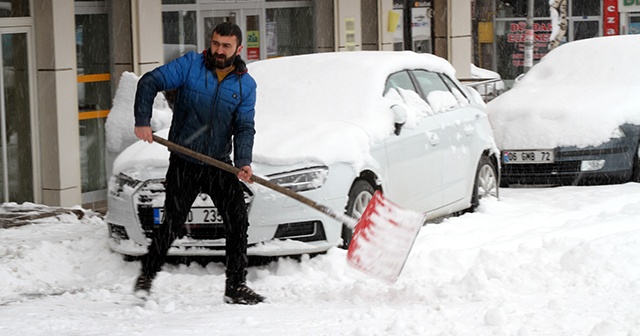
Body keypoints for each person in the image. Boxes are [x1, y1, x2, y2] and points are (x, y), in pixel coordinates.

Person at [132, 22, 265, 305]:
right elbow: (149, 82)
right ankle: (147, 275)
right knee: (173, 223)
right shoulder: (191, 66)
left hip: (218, 164)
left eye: (226, 46)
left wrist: (243, 161)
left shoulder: (245, 85)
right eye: (216, 43)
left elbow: (244, 126)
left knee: (237, 220)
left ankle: (236, 285)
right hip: (185, 162)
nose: (219, 50)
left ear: (238, 49)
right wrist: (142, 120)